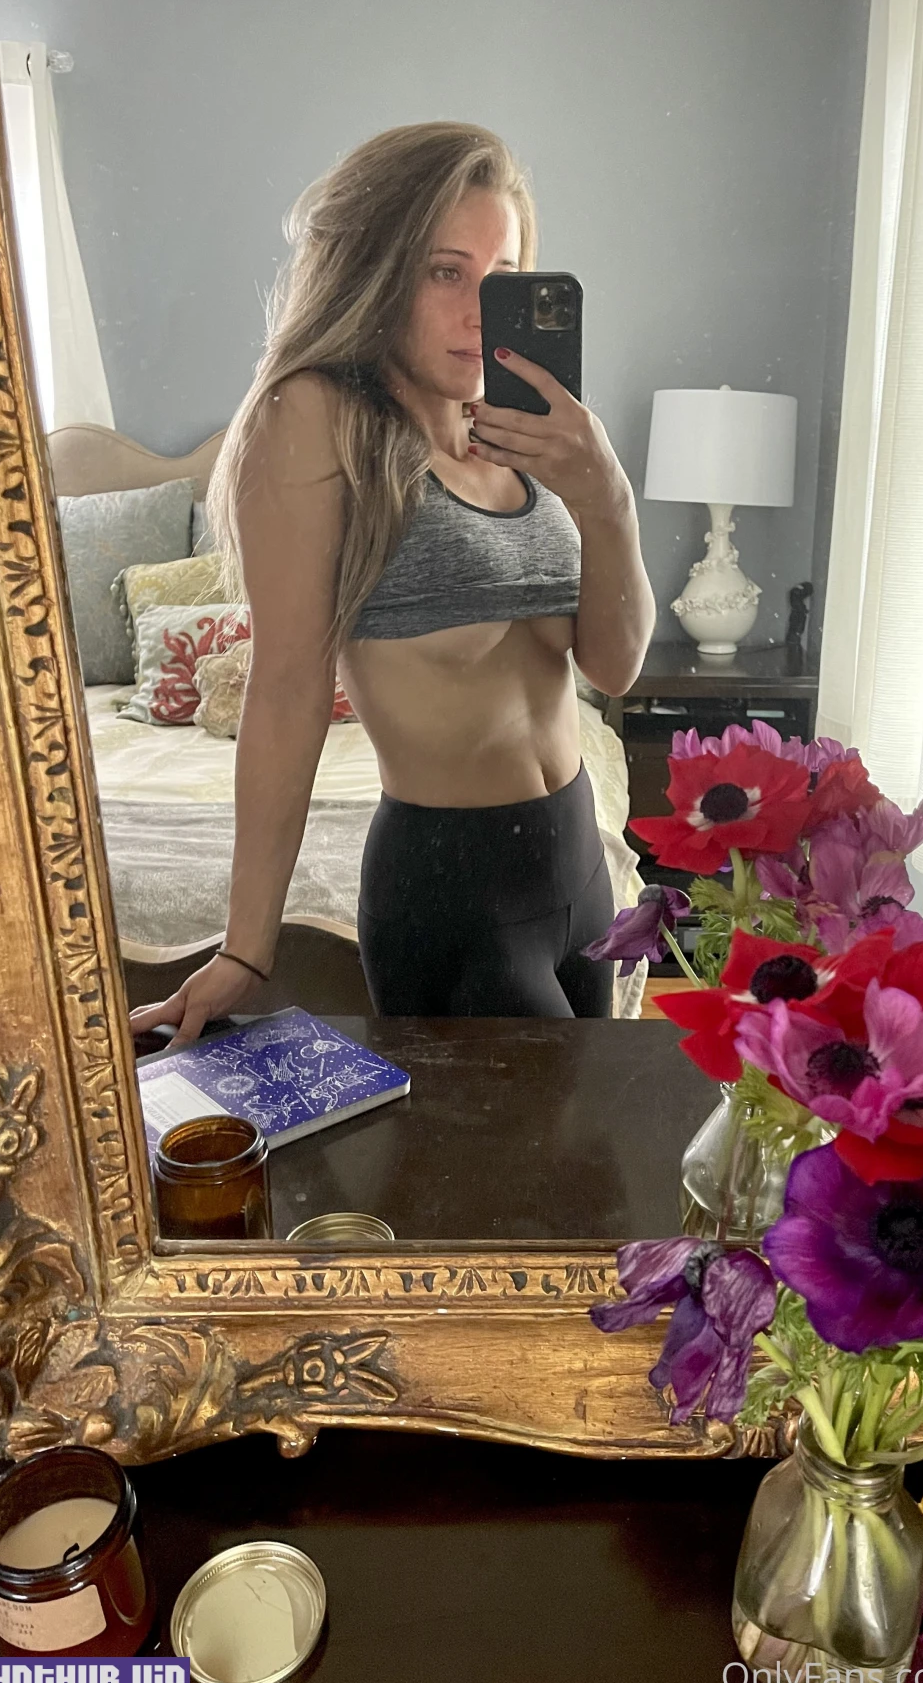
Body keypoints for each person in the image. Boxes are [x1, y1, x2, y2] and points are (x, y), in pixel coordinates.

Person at [129, 122, 655, 1047]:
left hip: (578, 867)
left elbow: (613, 667)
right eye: (445, 272)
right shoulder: (318, 418)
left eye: (500, 277)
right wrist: (248, 947)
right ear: (374, 270)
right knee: (518, 1145)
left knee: (590, 1140)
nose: (479, 311)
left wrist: (607, 497)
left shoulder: (525, 432)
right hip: (454, 892)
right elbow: (286, 687)